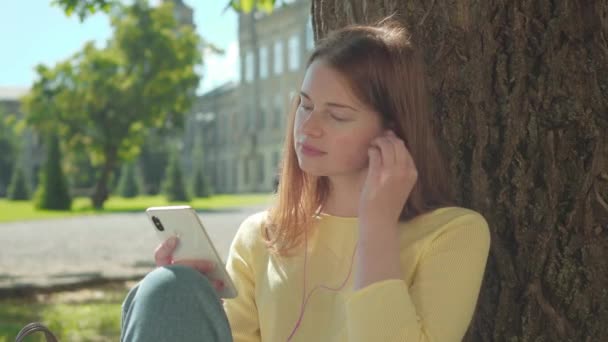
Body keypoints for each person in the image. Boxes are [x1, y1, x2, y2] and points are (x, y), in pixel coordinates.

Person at [121, 19, 491, 342]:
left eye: (338, 115)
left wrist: (376, 226)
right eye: (305, 105)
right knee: (165, 289)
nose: (308, 128)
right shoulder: (262, 236)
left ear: (391, 130)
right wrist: (188, 308)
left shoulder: (453, 234)